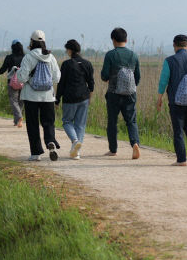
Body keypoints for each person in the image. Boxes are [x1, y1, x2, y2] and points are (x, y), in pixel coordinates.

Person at [157, 34, 187, 166]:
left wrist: (160, 97)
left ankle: (181, 160)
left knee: (178, 130)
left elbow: (164, 80)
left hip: (175, 101)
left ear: (174, 45)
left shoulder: (169, 61)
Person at [16, 30, 61, 161]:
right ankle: (50, 141)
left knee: (32, 124)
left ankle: (36, 153)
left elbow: (22, 78)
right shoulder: (51, 57)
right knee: (49, 122)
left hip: (30, 96)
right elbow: (57, 77)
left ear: (32, 42)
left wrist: (19, 74)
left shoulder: (28, 57)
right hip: (48, 96)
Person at [100, 27, 142, 159]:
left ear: (113, 40)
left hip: (113, 93)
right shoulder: (134, 55)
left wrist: (108, 78)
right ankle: (135, 143)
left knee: (112, 121)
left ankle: (113, 150)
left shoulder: (110, 55)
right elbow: (138, 77)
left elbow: (104, 75)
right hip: (130, 94)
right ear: (126, 39)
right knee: (131, 121)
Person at [56, 39, 94, 160]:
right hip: (84, 97)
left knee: (67, 121)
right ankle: (77, 153)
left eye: (67, 49)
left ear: (70, 50)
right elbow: (91, 84)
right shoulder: (87, 64)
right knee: (80, 125)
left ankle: (75, 141)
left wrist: (57, 99)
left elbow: (61, 84)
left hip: (69, 98)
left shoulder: (66, 64)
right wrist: (89, 97)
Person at [0, 40, 26, 127]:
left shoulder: (9, 57)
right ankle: (17, 120)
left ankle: (19, 117)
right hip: (23, 82)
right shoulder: (25, 57)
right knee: (21, 101)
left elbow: (3, 68)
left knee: (13, 100)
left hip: (12, 82)